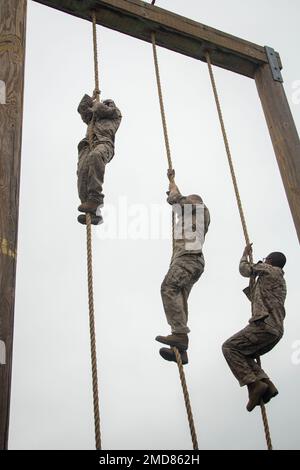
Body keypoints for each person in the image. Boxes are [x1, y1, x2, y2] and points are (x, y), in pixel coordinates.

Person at [222, 244, 287, 411]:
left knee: (230, 347)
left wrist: (245, 255)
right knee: (245, 353)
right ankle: (266, 383)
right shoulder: (280, 281)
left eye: (266, 259)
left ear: (270, 261)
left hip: (264, 326)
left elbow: (244, 269)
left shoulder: (268, 269)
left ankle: (254, 384)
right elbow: (258, 297)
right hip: (276, 332)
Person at [156, 169, 210, 365]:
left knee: (168, 288)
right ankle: (180, 348)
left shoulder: (200, 208)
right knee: (179, 299)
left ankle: (179, 335)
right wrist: (171, 181)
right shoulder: (190, 216)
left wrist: (175, 194)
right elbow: (177, 199)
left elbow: (178, 199)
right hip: (190, 260)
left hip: (189, 258)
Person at [77, 92, 122, 225]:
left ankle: (95, 199)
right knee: (82, 173)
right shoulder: (93, 117)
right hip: (87, 146)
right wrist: (89, 99)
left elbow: (104, 109)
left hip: (104, 144)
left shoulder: (114, 115)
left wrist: (96, 104)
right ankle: (91, 210)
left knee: (96, 156)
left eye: (107, 103)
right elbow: (82, 110)